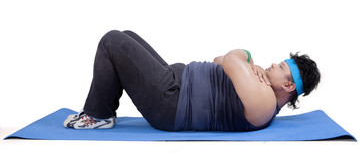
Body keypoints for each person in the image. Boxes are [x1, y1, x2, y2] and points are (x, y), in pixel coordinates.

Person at [64, 30, 321, 131]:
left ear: (288, 86)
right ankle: (103, 110)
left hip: (172, 102)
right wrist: (243, 65)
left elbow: (230, 60)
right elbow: (219, 59)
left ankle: (98, 115)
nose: (274, 65)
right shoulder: (259, 85)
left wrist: (247, 57)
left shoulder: (264, 102)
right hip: (175, 83)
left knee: (111, 42)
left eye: (281, 67)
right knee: (126, 35)